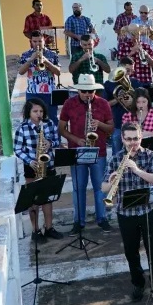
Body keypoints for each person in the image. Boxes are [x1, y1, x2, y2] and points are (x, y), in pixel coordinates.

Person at [100, 122, 153, 302]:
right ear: (122, 139)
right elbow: (103, 188)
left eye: (136, 138)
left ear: (141, 137)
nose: (133, 143)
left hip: (147, 211)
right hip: (125, 213)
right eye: (129, 139)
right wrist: (111, 180)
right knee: (131, 252)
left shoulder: (150, 155)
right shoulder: (116, 159)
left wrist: (136, 169)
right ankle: (138, 284)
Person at [58, 74, 114, 234]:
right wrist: (76, 139)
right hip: (78, 151)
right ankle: (78, 222)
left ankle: (102, 218)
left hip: (99, 151)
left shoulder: (103, 103)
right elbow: (61, 129)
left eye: (90, 91)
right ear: (78, 90)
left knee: (100, 187)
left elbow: (111, 128)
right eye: (83, 91)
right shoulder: (69, 103)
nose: (87, 94)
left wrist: (99, 124)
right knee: (78, 188)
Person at [13, 98, 64, 243]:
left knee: (48, 199)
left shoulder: (49, 124)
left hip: (48, 164)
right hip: (32, 167)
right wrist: (30, 161)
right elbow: (17, 149)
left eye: (41, 111)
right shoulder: (22, 128)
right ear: (28, 112)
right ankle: (35, 230)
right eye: (35, 111)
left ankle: (49, 228)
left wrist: (50, 143)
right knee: (33, 201)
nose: (39, 114)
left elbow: (56, 140)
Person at [19, 31, 62, 124]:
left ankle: (54, 138)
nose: (37, 44)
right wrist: (31, 59)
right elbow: (21, 72)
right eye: (35, 41)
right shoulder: (25, 55)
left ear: (44, 40)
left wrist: (46, 61)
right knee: (31, 119)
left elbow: (58, 72)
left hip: (49, 92)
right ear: (31, 41)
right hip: (32, 92)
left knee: (52, 118)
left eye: (40, 41)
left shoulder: (52, 54)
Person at [103, 58, 142, 155]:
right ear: (120, 68)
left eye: (131, 70)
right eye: (127, 70)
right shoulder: (109, 84)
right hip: (117, 122)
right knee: (117, 153)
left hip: (133, 123)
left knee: (134, 153)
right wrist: (118, 99)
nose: (129, 73)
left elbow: (143, 104)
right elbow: (105, 105)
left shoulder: (136, 83)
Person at [120, 24, 153, 90]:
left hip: (146, 81)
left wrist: (147, 55)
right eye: (133, 35)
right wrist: (131, 52)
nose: (136, 37)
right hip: (130, 82)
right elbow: (120, 65)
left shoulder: (146, 46)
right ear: (129, 35)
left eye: (137, 34)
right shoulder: (124, 46)